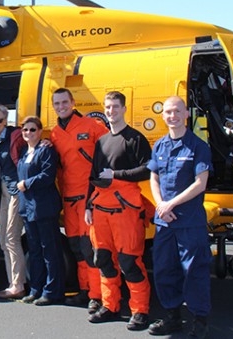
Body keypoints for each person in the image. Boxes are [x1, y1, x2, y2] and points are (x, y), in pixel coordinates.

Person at [86, 91, 152, 331]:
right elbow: (92, 177)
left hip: (127, 210)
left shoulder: (135, 138)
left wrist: (116, 175)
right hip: (101, 208)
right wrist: (87, 206)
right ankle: (110, 305)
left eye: (115, 107)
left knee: (129, 262)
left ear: (124, 108)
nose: (110, 111)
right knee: (103, 259)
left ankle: (140, 310)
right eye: (107, 107)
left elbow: (147, 170)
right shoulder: (102, 142)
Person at [147, 96, 212, 338]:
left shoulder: (198, 146)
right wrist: (160, 205)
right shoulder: (160, 145)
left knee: (194, 271)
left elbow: (200, 183)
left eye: (176, 111)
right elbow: (153, 177)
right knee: (164, 270)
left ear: (186, 114)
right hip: (165, 221)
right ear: (162, 116)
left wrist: (170, 204)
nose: (171, 116)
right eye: (167, 112)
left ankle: (200, 320)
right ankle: (172, 317)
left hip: (189, 221)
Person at [50, 88, 108, 311]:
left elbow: (109, 154)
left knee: (90, 248)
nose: (61, 106)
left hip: (88, 198)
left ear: (73, 102)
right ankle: (85, 291)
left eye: (65, 102)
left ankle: (98, 295)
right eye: (57, 103)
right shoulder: (54, 134)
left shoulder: (92, 127)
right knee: (76, 247)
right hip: (69, 199)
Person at [16, 116, 66, 305]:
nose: (28, 133)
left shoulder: (46, 150)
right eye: (25, 130)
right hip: (28, 209)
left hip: (44, 208)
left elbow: (47, 175)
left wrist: (27, 184)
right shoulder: (23, 151)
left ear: (39, 131)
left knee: (50, 251)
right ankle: (36, 289)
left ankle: (52, 291)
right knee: (35, 250)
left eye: (32, 130)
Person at [0, 104, 27, 299]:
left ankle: (18, 284)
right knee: (3, 240)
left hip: (17, 190)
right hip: (2, 192)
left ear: (6, 120)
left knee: (11, 237)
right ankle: (14, 283)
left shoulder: (15, 135)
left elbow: (32, 145)